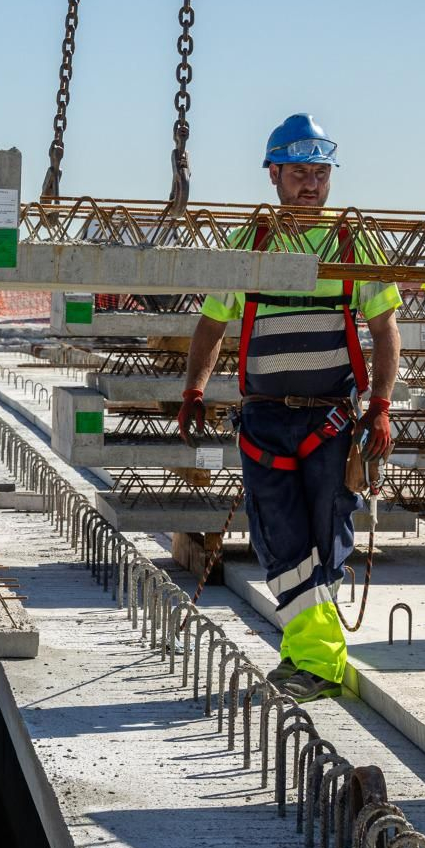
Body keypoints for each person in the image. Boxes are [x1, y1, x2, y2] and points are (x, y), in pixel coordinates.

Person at [177, 113, 400, 703]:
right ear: (273, 174)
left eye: (321, 173)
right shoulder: (249, 244)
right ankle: (308, 655)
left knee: (325, 539)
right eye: (300, 172)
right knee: (279, 540)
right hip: (266, 420)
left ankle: (315, 661)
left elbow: (385, 328)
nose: (312, 183)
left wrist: (380, 406)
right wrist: (194, 388)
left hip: (328, 419)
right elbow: (211, 324)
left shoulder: (354, 243)